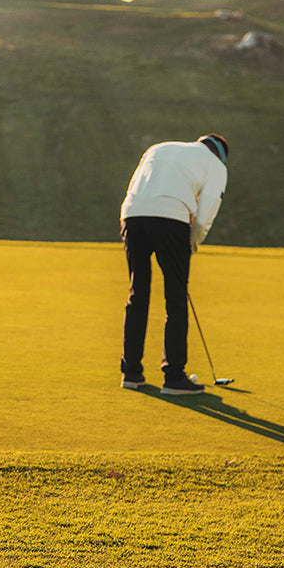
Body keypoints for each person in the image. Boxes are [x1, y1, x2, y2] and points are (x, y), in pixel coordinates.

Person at [119, 134, 229, 395]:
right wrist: (192, 244)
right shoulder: (216, 165)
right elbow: (205, 214)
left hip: (132, 217)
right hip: (171, 219)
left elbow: (136, 185)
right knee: (176, 298)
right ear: (220, 155)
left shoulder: (157, 147)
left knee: (138, 294)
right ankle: (174, 377)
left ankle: (131, 373)